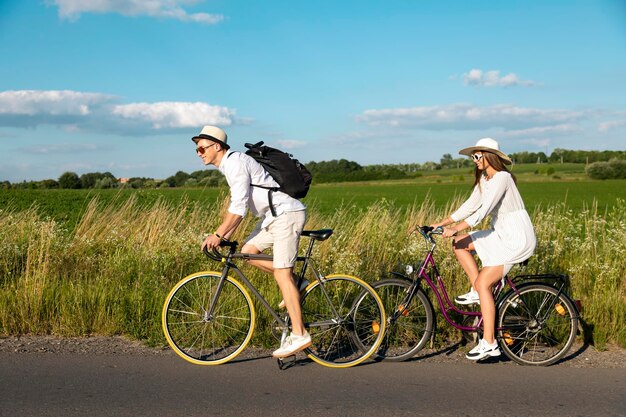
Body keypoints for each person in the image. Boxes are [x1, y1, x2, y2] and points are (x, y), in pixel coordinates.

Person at [193, 125, 310, 358]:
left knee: (281, 273)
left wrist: (218, 235)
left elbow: (238, 208)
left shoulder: (235, 163)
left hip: (285, 214)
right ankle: (299, 283)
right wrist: (223, 234)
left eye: (202, 148)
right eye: (196, 150)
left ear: (217, 146)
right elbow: (241, 206)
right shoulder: (230, 165)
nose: (199, 153)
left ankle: (300, 335)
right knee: (248, 252)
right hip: (271, 216)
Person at [430, 138, 536, 361]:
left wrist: (456, 227)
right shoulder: (486, 180)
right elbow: (470, 205)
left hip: (515, 237)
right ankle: (478, 292)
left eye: (477, 156)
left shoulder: (502, 178)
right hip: (500, 232)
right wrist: (442, 223)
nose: (474, 161)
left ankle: (489, 343)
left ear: (490, 156)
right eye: (473, 157)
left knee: (483, 283)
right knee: (459, 244)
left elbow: (483, 211)